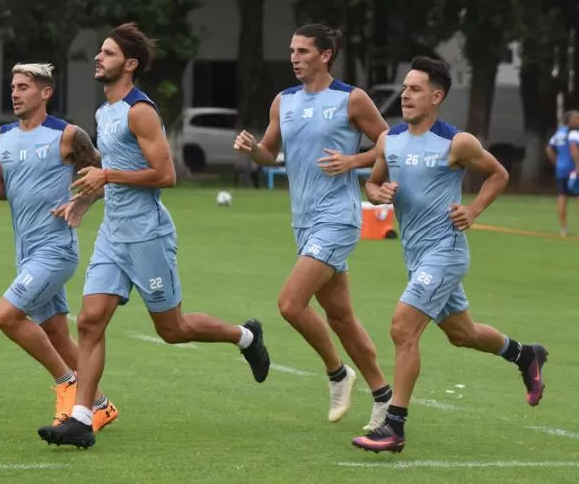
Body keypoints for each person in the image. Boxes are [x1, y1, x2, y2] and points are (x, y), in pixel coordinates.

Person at [37, 23, 271, 449]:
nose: (98, 58)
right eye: (100, 52)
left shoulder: (139, 111)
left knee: (172, 329)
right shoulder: (104, 111)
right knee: (89, 321)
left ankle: (246, 336)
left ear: (128, 64)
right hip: (113, 233)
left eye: (107, 53)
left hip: (147, 235)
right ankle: (82, 419)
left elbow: (166, 175)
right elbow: (111, 176)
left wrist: (107, 173)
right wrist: (85, 201)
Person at [352, 56, 546, 454]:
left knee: (403, 328)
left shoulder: (457, 142)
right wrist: (379, 194)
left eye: (415, 89)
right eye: (405, 88)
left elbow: (499, 174)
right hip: (416, 256)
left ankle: (394, 425)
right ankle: (525, 355)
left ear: (436, 96)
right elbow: (371, 185)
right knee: (463, 334)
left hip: (446, 252)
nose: (405, 95)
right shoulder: (390, 140)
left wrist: (473, 210)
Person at [234, 23, 392, 430]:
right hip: (302, 222)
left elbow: (390, 144)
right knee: (340, 317)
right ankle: (383, 395)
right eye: (292, 50)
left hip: (338, 218)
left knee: (290, 304)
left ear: (325, 55)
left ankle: (338, 374)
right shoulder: (282, 101)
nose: (294, 57)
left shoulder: (350, 99)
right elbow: (270, 154)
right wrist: (254, 150)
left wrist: (353, 163)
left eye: (303, 51)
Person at [0, 62, 118, 432]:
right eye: (13, 87)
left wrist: (81, 202)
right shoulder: (1, 137)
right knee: (56, 334)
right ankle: (99, 404)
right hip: (26, 252)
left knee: (6, 315)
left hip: (56, 250)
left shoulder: (68, 136)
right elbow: (3, 189)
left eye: (23, 87)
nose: (15, 93)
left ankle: (67, 384)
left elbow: (103, 179)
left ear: (45, 92)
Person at [545, 110, 579, 237]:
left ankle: (563, 229)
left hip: (561, 169)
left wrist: (557, 162)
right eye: (577, 119)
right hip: (573, 169)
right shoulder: (574, 133)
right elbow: (574, 148)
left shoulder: (559, 133)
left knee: (562, 196)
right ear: (570, 120)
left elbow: (549, 149)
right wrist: (578, 165)